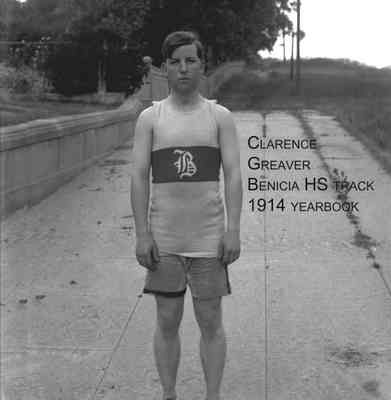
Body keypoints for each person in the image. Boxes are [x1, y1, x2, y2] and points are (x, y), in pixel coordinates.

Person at [130, 30, 242, 400]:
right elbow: (138, 177)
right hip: (165, 242)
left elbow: (233, 175)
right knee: (166, 321)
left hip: (208, 241)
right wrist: (142, 234)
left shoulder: (219, 117)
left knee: (211, 322)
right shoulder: (150, 118)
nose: (183, 68)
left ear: (201, 65)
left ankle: (213, 395)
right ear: (164, 67)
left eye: (190, 60)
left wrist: (233, 230)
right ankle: (169, 393)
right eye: (175, 62)